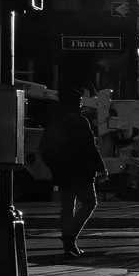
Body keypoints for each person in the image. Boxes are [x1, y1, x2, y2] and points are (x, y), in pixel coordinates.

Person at [44, 86, 107, 257]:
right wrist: (101, 168)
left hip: (62, 173)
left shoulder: (54, 121)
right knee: (89, 203)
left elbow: (44, 148)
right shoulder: (79, 122)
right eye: (79, 102)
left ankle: (68, 246)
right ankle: (69, 237)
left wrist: (55, 167)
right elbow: (90, 147)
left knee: (67, 208)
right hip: (80, 172)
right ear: (72, 103)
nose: (80, 105)